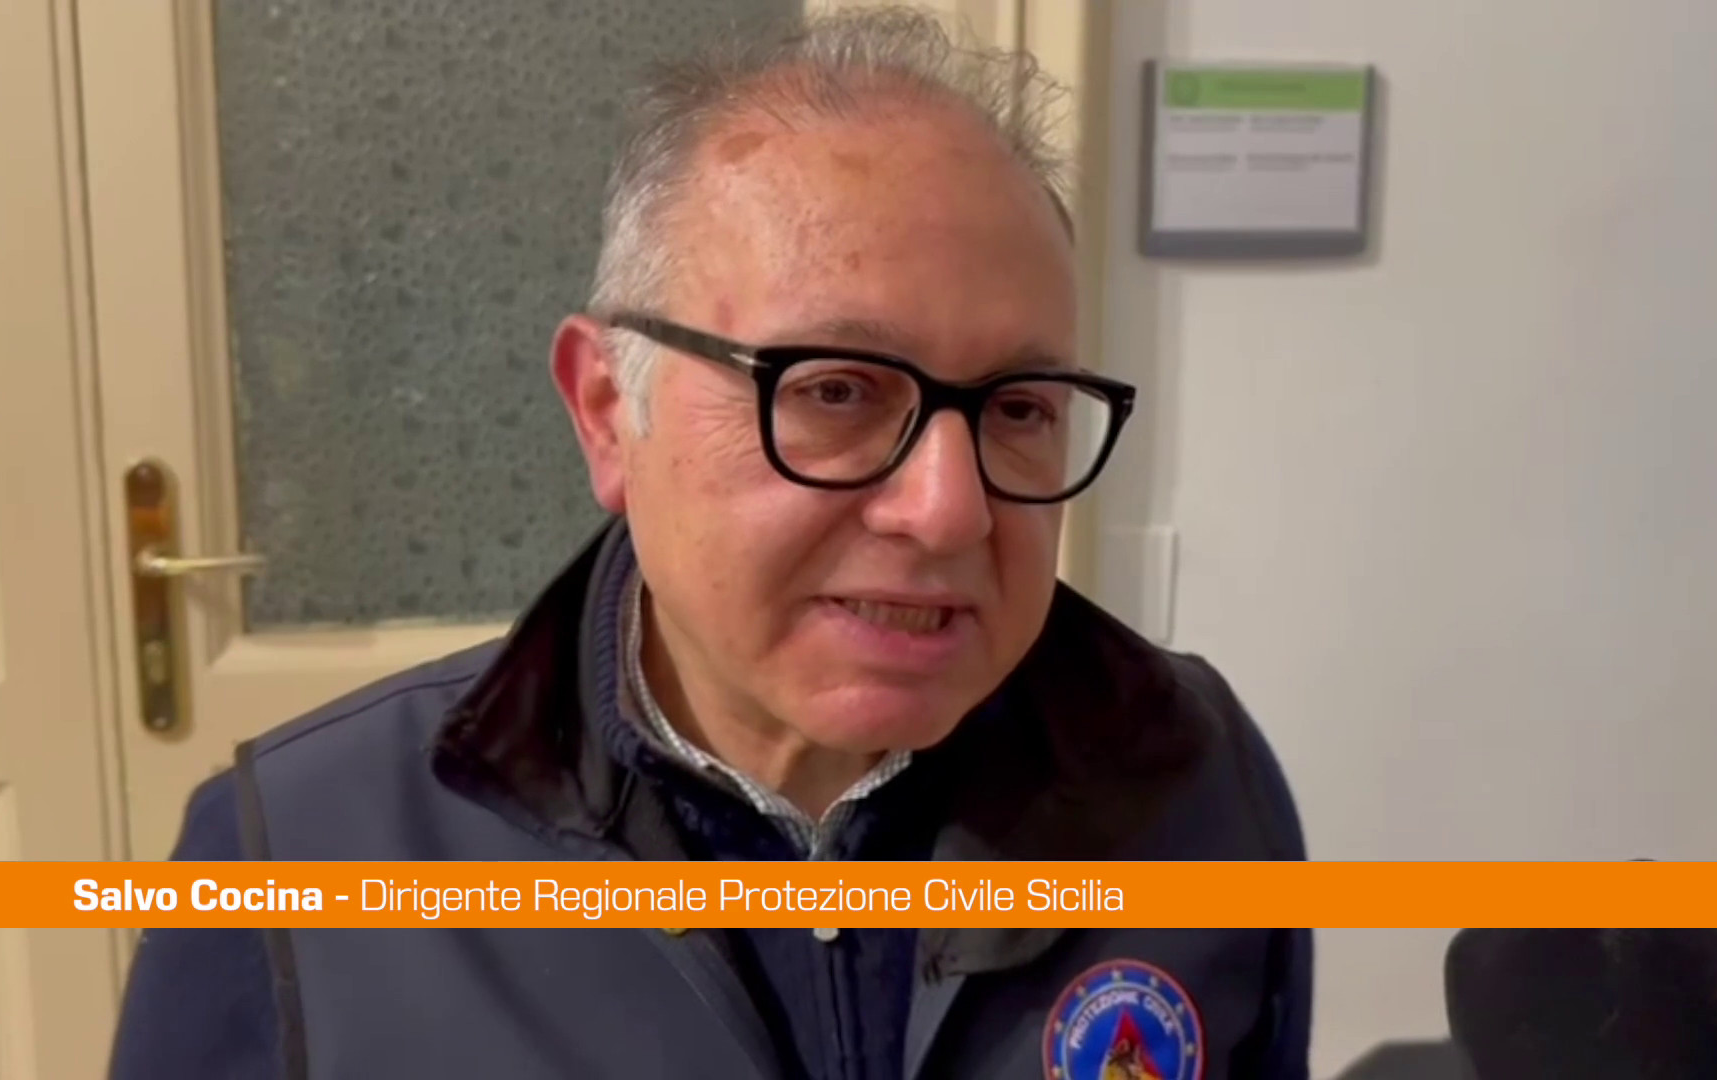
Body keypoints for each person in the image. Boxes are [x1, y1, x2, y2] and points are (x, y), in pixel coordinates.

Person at [108, 9, 1310, 1079]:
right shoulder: (294, 858)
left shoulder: (1190, 773)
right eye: (835, 391)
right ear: (604, 410)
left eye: (1020, 410)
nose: (949, 510)